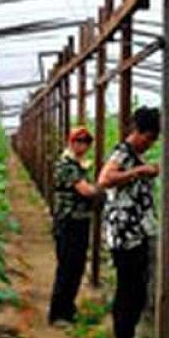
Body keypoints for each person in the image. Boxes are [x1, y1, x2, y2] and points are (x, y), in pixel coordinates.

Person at [97, 106, 161, 338]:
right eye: (149, 138)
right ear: (139, 133)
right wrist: (139, 172)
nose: (150, 144)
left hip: (135, 234)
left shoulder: (133, 155)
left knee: (135, 294)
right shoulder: (123, 153)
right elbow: (104, 179)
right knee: (128, 293)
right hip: (125, 237)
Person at [48, 126, 101, 325]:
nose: (83, 145)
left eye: (86, 142)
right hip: (68, 221)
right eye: (79, 141)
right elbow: (85, 190)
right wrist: (102, 188)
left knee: (76, 267)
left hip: (79, 220)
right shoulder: (66, 165)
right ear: (71, 142)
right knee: (67, 267)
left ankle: (68, 309)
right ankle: (58, 313)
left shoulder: (79, 165)